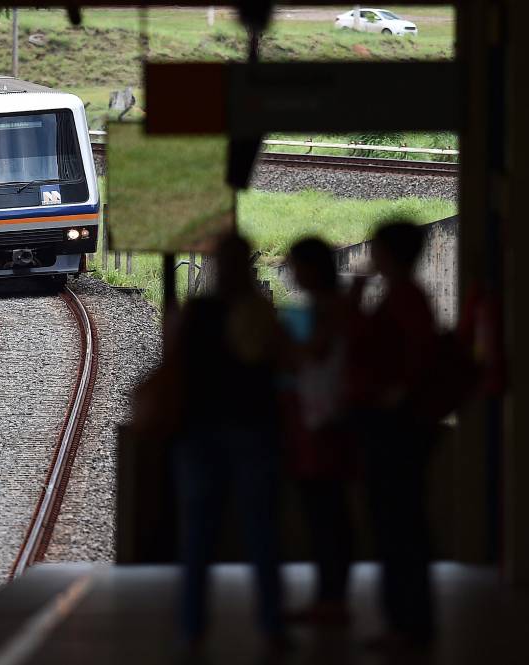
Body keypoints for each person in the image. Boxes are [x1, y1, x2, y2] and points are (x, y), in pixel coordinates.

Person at [155, 232, 287, 650]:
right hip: (254, 431)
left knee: (197, 538)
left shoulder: (198, 311)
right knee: (262, 533)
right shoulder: (260, 312)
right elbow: (282, 362)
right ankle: (271, 627)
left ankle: (192, 631)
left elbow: (172, 358)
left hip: (198, 434)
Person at [348, 219, 439, 648]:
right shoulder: (408, 297)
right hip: (402, 426)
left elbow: (402, 359)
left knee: (397, 527)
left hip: (396, 430)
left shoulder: (405, 300)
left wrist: (391, 400)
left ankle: (406, 623)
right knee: (401, 525)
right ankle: (406, 621)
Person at [284, 237, 357, 625]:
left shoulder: (329, 308)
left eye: (295, 264)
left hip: (324, 421)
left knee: (325, 512)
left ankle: (332, 598)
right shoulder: (335, 304)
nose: (292, 272)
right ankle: (331, 596)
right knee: (328, 511)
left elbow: (315, 352)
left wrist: (281, 345)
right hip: (327, 418)